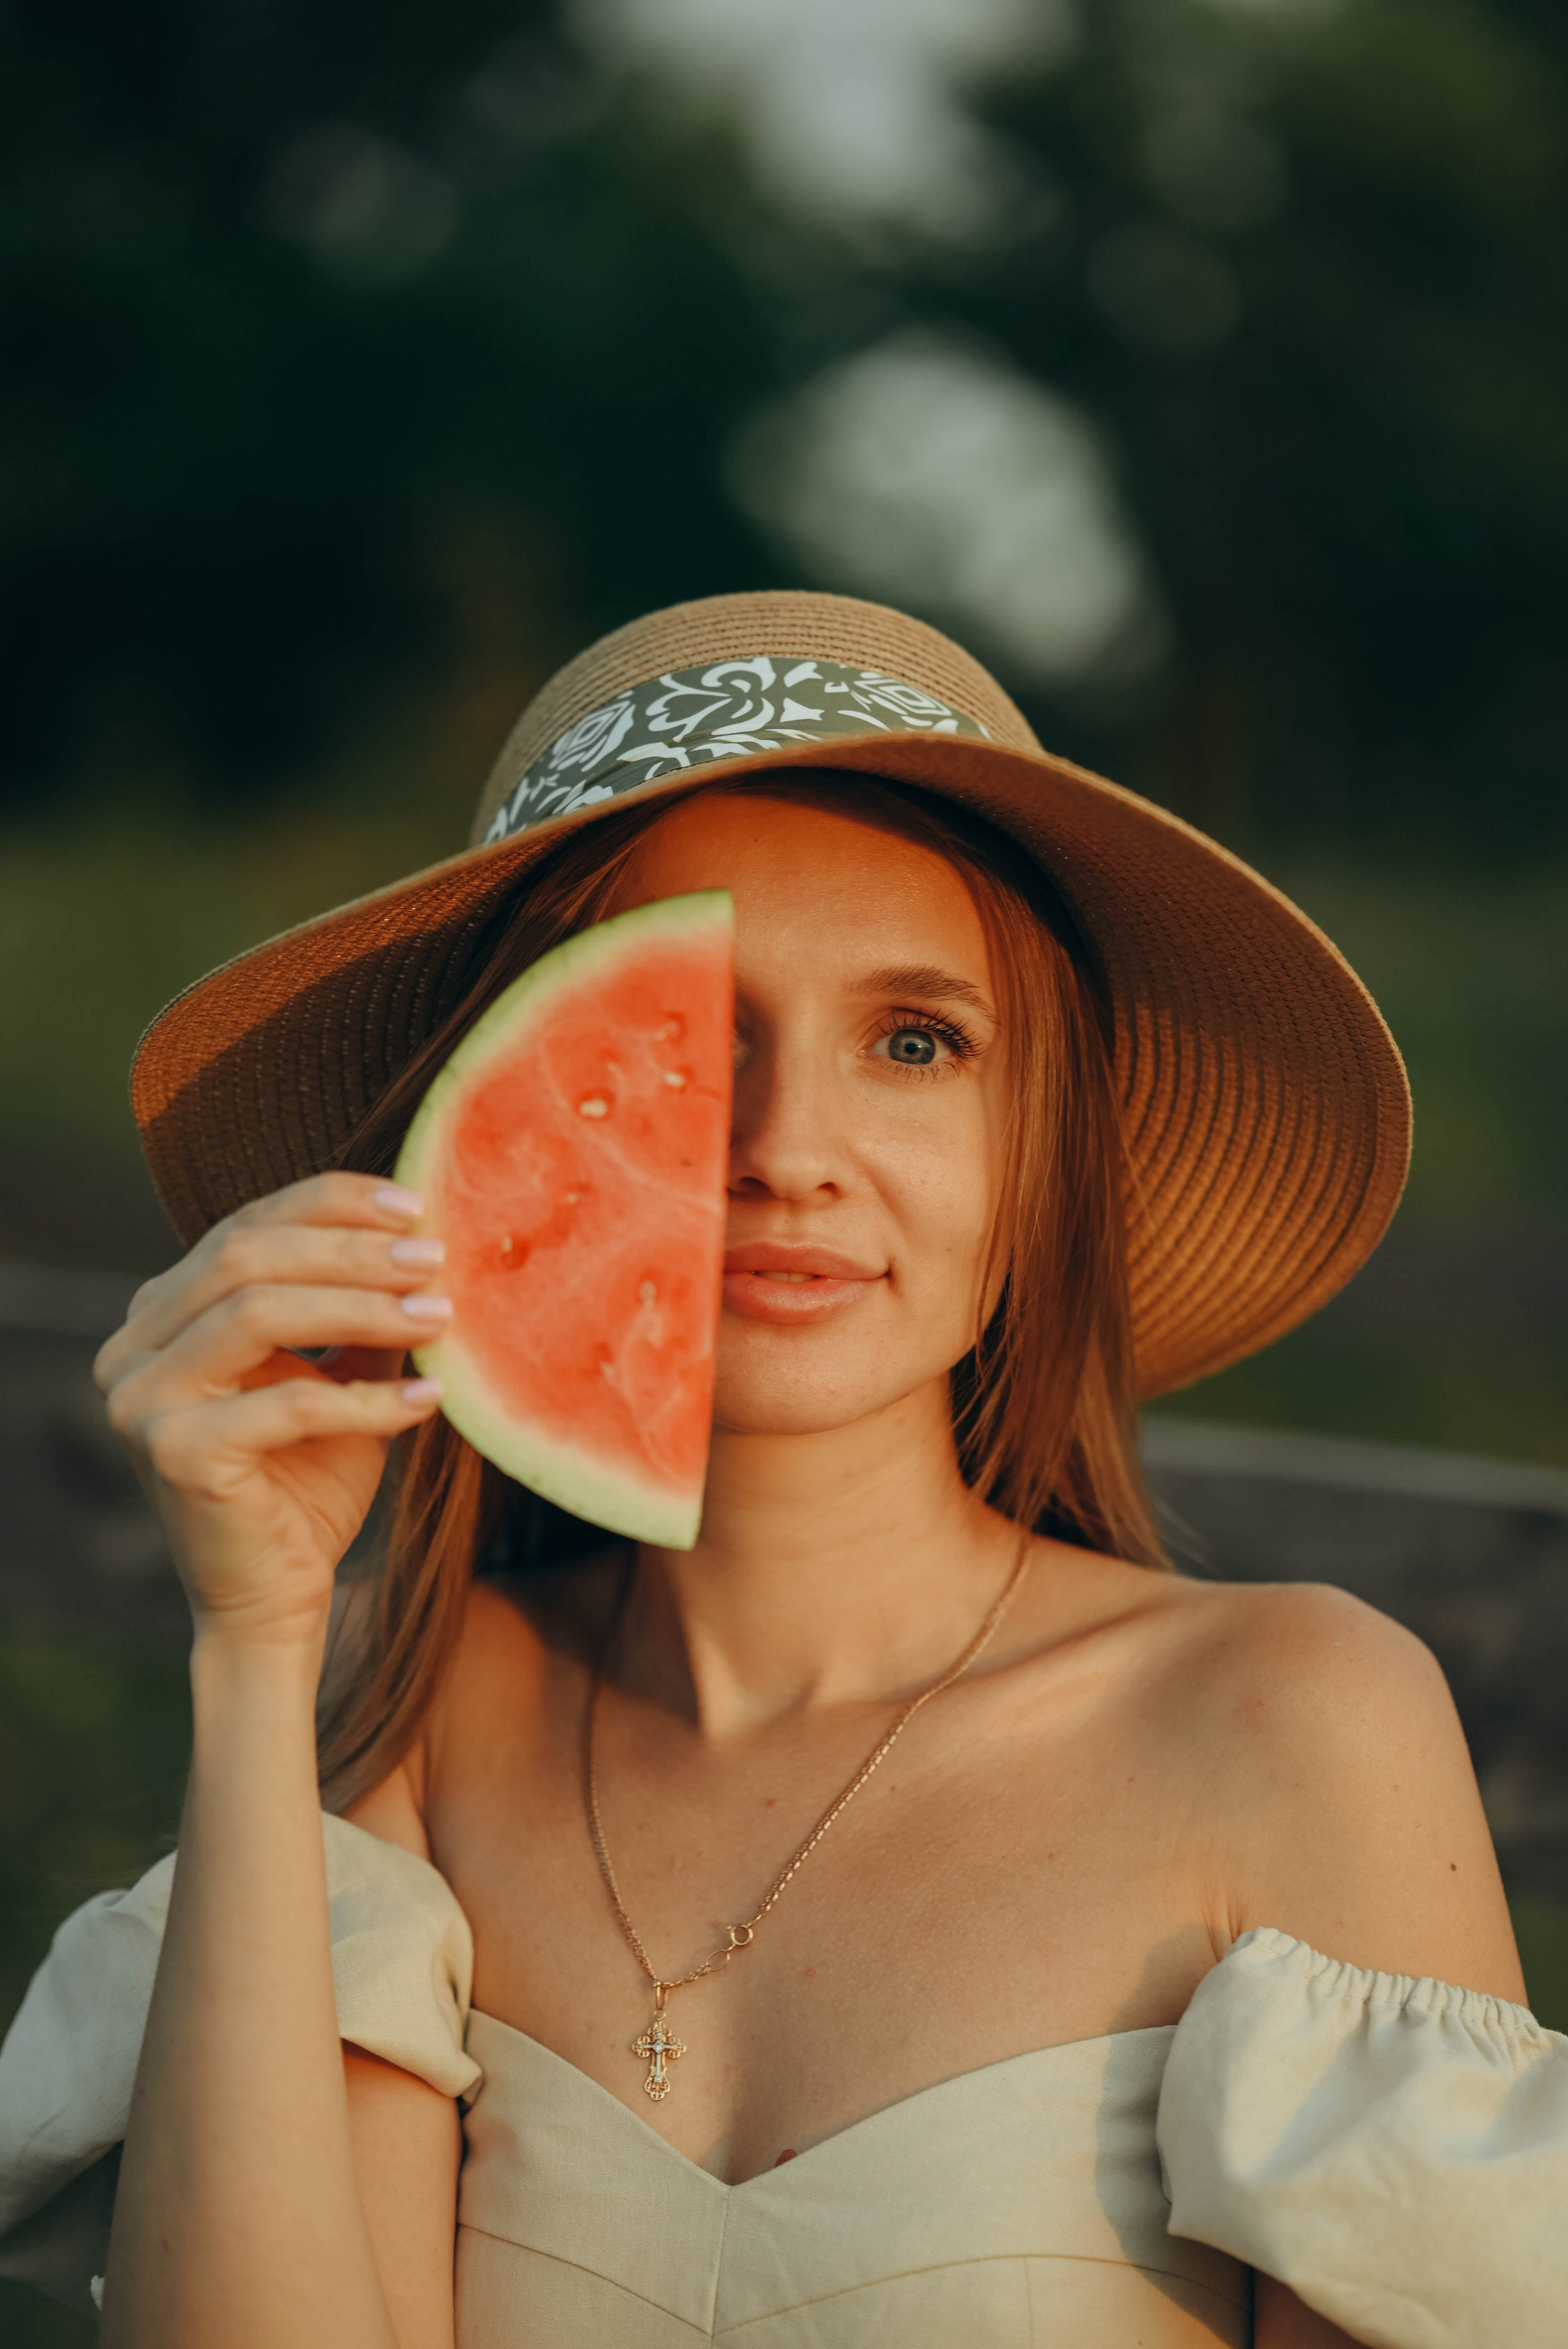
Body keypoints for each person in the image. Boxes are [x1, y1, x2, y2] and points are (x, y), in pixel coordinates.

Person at [0, 592, 1562, 2348]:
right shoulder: (406, 1712)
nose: (784, 1150)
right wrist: (256, 1642)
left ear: (1035, 1146)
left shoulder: (1297, 1715)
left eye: (915, 1041)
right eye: (663, 1052)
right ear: (499, 1144)